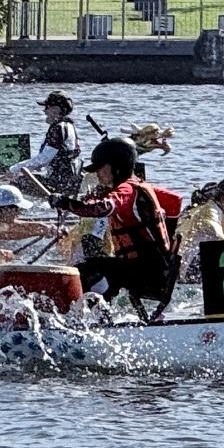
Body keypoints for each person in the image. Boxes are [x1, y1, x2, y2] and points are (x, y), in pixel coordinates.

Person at [56, 137, 177, 321]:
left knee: (83, 271)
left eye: (100, 168)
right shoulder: (139, 185)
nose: (97, 174)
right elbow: (175, 200)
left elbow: (99, 209)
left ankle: (99, 321)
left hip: (145, 272)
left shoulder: (127, 189)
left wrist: (65, 203)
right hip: (157, 269)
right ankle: (102, 316)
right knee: (99, 267)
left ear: (115, 167)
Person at [35, 92, 82, 196]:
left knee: (18, 181)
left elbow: (43, 159)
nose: (44, 111)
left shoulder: (58, 128)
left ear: (56, 109)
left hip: (58, 184)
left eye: (47, 107)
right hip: (68, 182)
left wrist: (14, 169)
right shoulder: (68, 125)